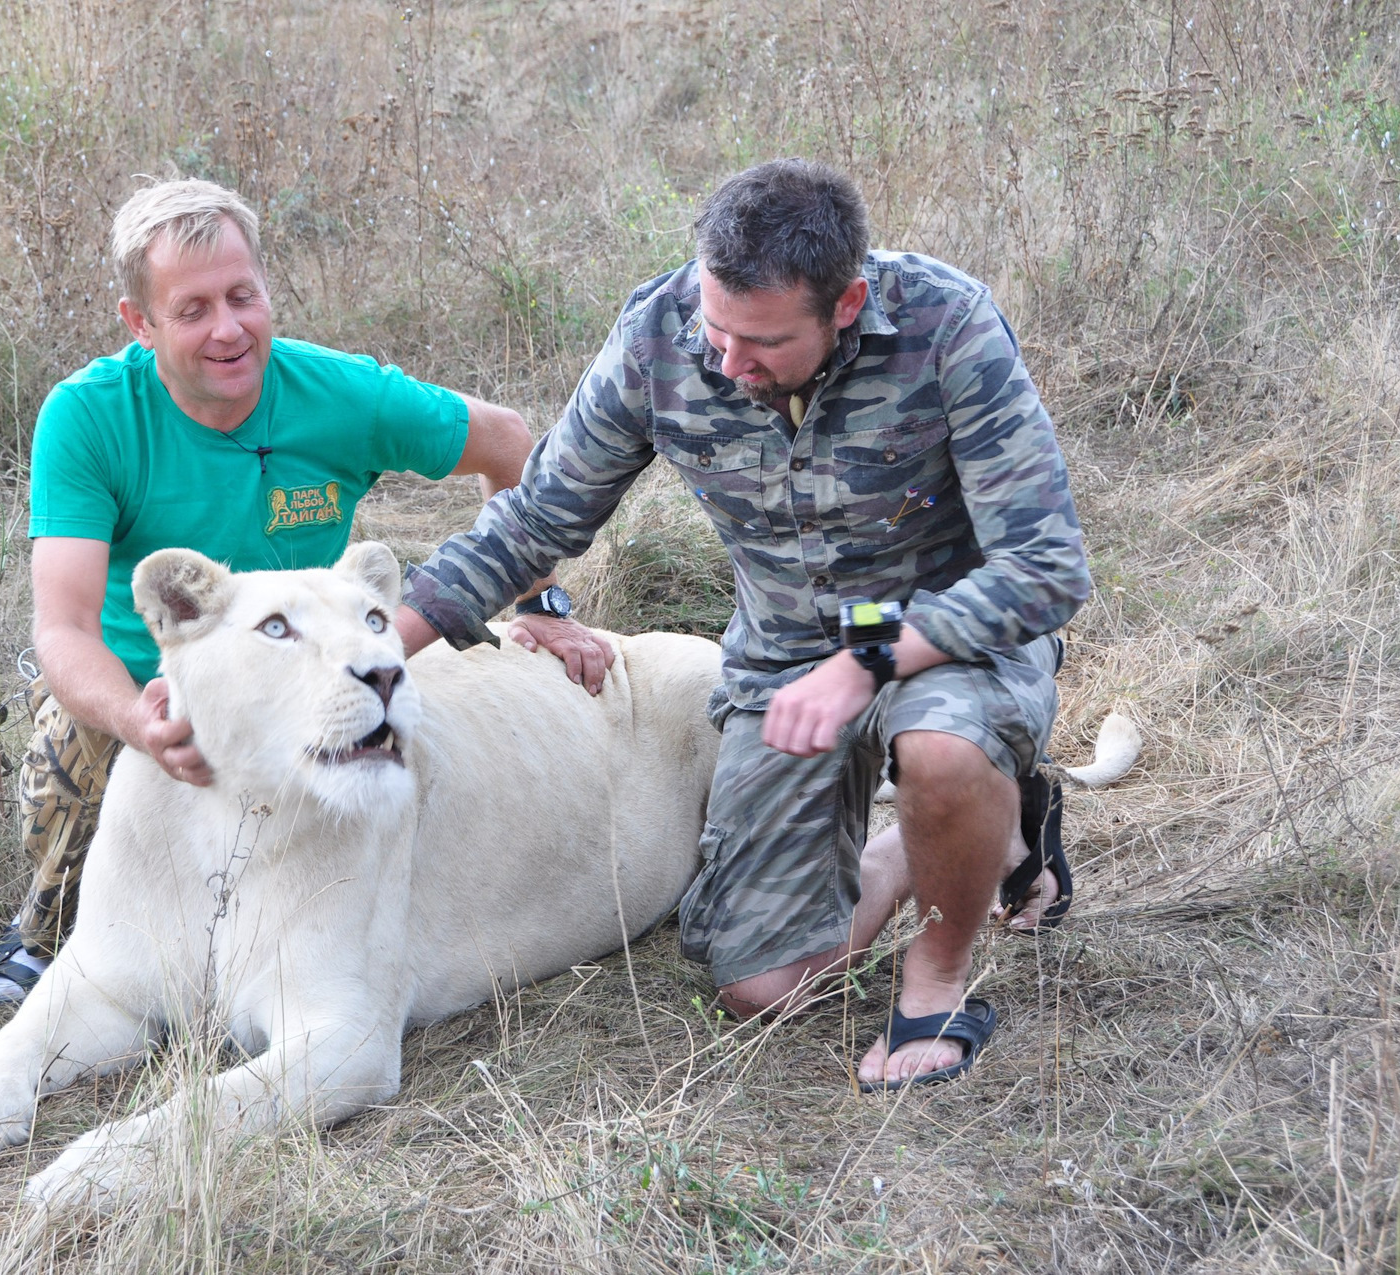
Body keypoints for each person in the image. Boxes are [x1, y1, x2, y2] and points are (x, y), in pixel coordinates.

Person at [392, 158, 1091, 1089]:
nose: (726, 362)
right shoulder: (660, 331)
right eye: (714, 328)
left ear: (845, 304)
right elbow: (534, 519)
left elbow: (1045, 567)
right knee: (766, 985)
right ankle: (961, 841)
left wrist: (866, 663)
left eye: (760, 342)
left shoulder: (948, 325)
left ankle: (939, 976)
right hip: (784, 650)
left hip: (945, 625)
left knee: (944, 749)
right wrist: (370, 649)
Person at [0, 179, 608, 1002]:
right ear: (141, 322)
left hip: (299, 679)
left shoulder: (339, 394)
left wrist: (539, 603)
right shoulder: (88, 416)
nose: (229, 329)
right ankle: (52, 927)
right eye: (194, 309)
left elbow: (509, 443)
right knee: (79, 737)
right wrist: (139, 719)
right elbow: (62, 630)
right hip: (152, 684)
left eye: (243, 296)